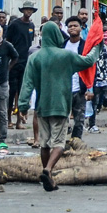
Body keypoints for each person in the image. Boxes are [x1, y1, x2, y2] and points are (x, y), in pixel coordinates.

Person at [17, 22, 98, 191]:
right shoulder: (66, 55)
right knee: (59, 143)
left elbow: (27, 84)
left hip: (42, 106)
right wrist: (97, 46)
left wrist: (23, 106)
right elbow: (89, 61)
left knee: (44, 143)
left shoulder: (35, 57)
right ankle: (48, 170)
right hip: (60, 105)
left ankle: (48, 177)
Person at [6, 1, 37, 132]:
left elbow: (30, 43)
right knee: (12, 92)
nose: (28, 12)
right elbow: (8, 42)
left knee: (22, 91)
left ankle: (19, 120)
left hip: (26, 61)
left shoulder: (31, 25)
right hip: (14, 62)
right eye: (26, 10)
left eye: (30, 10)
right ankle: (8, 119)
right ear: (22, 11)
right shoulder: (14, 24)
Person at [64, 16, 88, 141]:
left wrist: (90, 88)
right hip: (64, 88)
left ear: (80, 28)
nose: (73, 28)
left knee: (79, 120)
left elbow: (91, 68)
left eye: (75, 26)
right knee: (62, 119)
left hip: (80, 88)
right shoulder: (62, 45)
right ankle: (62, 144)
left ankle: (76, 143)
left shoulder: (85, 46)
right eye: (70, 26)